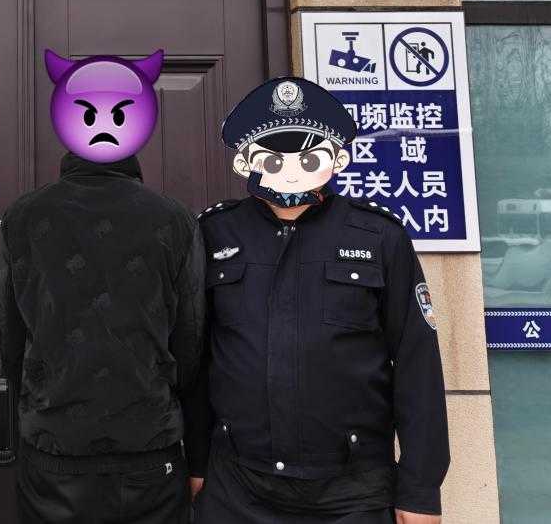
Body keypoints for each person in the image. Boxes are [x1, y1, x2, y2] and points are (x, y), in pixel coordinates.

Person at [185, 77, 449, 524]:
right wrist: (196, 462)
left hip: (352, 490)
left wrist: (420, 490)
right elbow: (196, 358)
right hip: (238, 486)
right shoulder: (214, 234)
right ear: (245, 161)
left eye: (309, 158)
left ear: (337, 158)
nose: (290, 171)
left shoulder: (378, 236)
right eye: (272, 158)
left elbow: (417, 363)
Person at [0, 49, 206, 524]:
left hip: (55, 444)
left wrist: (42, 388)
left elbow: (10, 336)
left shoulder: (23, 217)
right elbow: (190, 340)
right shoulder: (173, 218)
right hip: (148, 441)